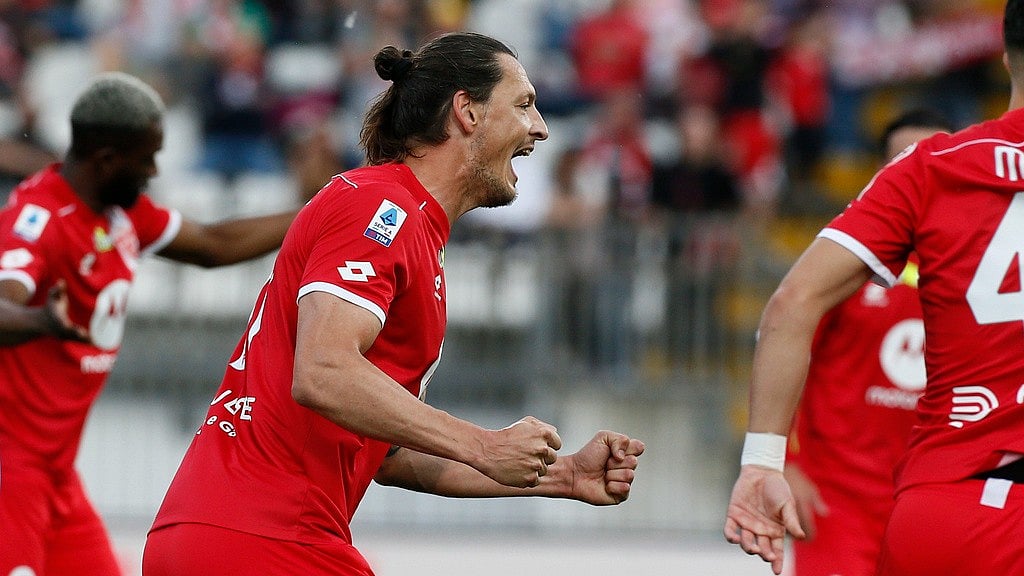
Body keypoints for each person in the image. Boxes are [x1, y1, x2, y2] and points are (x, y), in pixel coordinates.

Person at [143, 32, 646, 576]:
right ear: (466, 111)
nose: (540, 127)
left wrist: (563, 475)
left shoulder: (413, 229)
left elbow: (388, 455)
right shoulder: (381, 206)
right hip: (264, 536)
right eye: (523, 104)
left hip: (234, 533)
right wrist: (483, 444)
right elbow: (322, 371)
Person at [724, 1, 1024, 573]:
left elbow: (791, 303)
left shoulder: (932, 166)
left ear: (1006, 58)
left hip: (946, 506)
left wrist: (762, 460)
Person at [0, 71, 298, 576]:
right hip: (9, 473)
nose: (154, 170)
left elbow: (213, 245)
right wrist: (40, 319)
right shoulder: (38, 219)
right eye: (146, 158)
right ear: (107, 159)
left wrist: (322, 211)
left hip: (56, 476)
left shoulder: (121, 214)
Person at [782, 108, 953, 576]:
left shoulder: (981, 267)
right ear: (882, 172)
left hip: (936, 502)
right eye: (903, 160)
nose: (917, 170)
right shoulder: (841, 260)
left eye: (930, 158)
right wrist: (783, 461)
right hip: (838, 501)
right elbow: (786, 350)